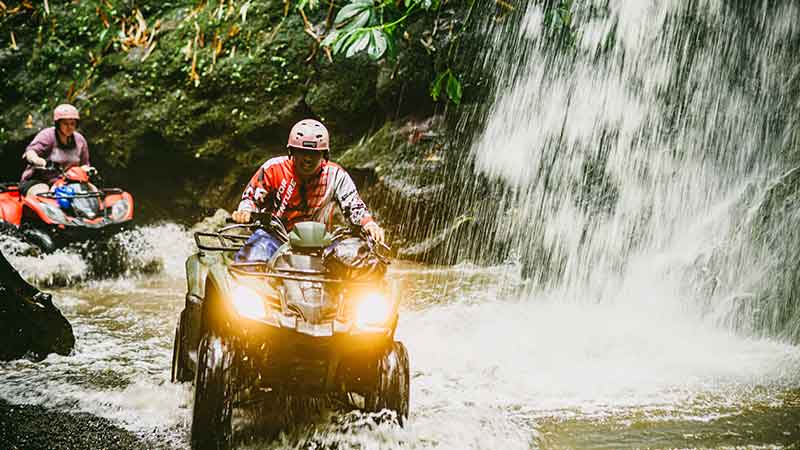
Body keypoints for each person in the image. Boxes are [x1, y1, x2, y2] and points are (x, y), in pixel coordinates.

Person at [232, 119, 385, 257]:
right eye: (302, 152)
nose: (307, 158)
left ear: (324, 155)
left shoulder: (335, 175)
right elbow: (251, 198)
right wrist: (245, 212)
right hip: (275, 237)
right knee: (251, 261)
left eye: (314, 153)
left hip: (319, 241)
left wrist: (368, 223)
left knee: (358, 261)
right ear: (292, 151)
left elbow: (354, 204)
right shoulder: (273, 169)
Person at [20, 104, 92, 200]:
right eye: (65, 124)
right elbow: (30, 152)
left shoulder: (80, 140)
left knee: (93, 192)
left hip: (67, 182)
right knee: (43, 195)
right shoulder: (47, 135)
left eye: (72, 123)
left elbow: (84, 164)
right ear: (58, 124)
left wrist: (88, 170)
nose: (69, 127)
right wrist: (37, 160)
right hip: (39, 181)